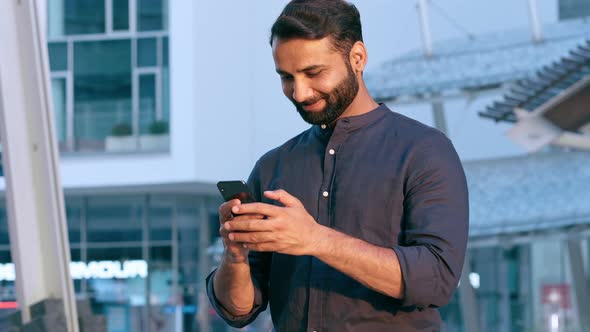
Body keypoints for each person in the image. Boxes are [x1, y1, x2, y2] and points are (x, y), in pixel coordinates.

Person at [206, 0, 469, 330]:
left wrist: (316, 239)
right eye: (286, 77)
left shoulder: (424, 151)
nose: (299, 93)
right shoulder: (272, 167)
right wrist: (235, 255)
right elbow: (238, 311)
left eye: (313, 73)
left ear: (357, 58)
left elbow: (436, 280)